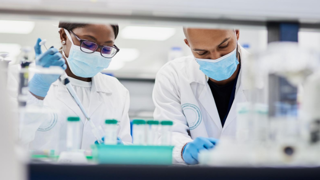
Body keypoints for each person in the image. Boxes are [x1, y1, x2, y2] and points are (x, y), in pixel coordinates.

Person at [23, 22, 131, 151]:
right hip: (42, 171)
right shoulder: (25, 78)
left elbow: (125, 143)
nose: (96, 53)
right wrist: (37, 90)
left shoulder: (116, 90)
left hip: (98, 172)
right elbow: (11, 138)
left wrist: (121, 150)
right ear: (63, 36)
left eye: (106, 48)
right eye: (88, 44)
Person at [153, 28, 249, 164]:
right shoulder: (173, 75)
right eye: (202, 52)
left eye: (223, 46)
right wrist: (184, 148)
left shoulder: (265, 74)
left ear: (237, 33)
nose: (216, 58)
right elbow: (167, 133)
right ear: (188, 44)